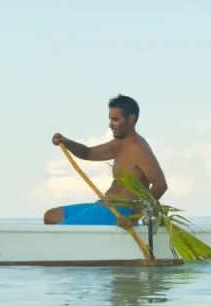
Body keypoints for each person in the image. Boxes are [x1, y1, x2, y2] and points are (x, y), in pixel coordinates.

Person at [45, 94, 167, 225]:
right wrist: (66, 141)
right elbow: (87, 153)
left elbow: (160, 185)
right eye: (110, 119)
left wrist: (133, 217)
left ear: (131, 119)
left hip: (120, 212)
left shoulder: (139, 148)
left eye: (115, 119)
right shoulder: (119, 144)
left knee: (61, 228)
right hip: (104, 207)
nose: (110, 125)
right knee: (50, 217)